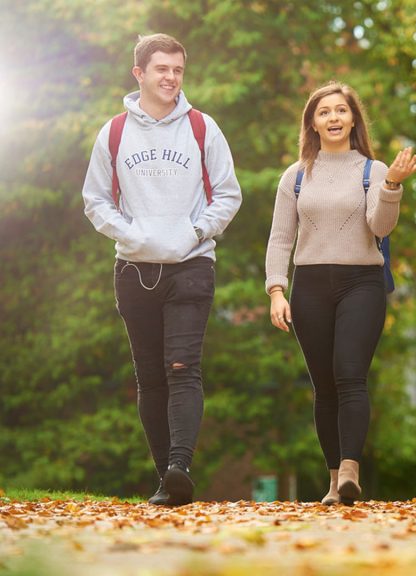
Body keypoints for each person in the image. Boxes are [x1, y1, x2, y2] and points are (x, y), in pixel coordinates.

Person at [81, 34, 242, 506]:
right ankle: (166, 482)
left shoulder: (202, 128)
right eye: (161, 69)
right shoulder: (113, 132)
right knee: (150, 376)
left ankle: (180, 464)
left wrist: (195, 233)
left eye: (178, 70)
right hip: (133, 270)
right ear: (139, 73)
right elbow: (95, 200)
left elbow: (228, 194)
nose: (170, 78)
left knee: (183, 367)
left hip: (192, 265)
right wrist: (131, 235)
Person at [265, 82, 416, 505]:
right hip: (309, 286)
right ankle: (334, 482)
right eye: (324, 112)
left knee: (350, 373)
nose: (333, 118)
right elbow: (281, 238)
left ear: (353, 119)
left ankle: (351, 469)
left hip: (361, 283)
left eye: (341, 110)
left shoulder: (372, 170)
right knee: (324, 386)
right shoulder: (294, 177)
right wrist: (277, 291)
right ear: (312, 123)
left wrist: (391, 185)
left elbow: (380, 227)